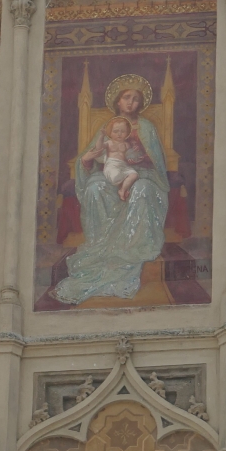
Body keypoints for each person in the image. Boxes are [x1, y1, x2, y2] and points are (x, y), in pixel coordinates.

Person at [53, 84, 169, 305]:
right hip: (111, 173)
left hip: (143, 174)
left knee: (142, 189)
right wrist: (87, 159)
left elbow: (157, 161)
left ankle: (133, 244)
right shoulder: (107, 127)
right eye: (126, 97)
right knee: (94, 188)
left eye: (135, 99)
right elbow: (93, 155)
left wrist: (138, 159)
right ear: (118, 101)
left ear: (140, 104)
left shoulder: (147, 127)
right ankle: (99, 241)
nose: (130, 102)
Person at [86, 116, 153, 202]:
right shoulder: (109, 143)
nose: (119, 134)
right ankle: (123, 188)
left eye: (123, 131)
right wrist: (101, 136)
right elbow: (98, 147)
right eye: (115, 131)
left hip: (124, 166)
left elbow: (133, 154)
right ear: (110, 132)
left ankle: (122, 190)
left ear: (127, 133)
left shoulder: (127, 144)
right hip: (112, 165)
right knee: (115, 177)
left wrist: (136, 150)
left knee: (134, 175)